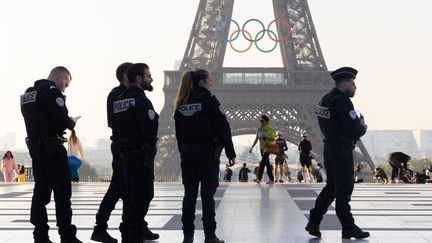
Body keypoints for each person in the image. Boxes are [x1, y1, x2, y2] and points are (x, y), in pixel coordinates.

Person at [305, 67, 369, 239]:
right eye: (353, 83)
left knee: (331, 187)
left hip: (329, 147)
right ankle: (348, 227)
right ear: (345, 83)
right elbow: (353, 129)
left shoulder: (325, 99)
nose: (355, 87)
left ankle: (314, 220)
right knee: (344, 188)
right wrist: (362, 127)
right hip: (342, 150)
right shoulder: (343, 102)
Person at [20, 66, 82, 243]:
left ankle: (40, 234)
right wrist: (71, 122)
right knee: (62, 192)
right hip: (52, 148)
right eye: (66, 84)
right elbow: (62, 122)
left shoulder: (28, 94)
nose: (65, 88)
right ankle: (67, 235)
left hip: (35, 148)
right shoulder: (52, 91)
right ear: (60, 77)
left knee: (40, 192)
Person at [174, 69, 236, 243]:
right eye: (209, 80)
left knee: (189, 195)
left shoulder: (182, 103)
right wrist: (230, 153)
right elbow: (223, 128)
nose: (211, 83)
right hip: (206, 152)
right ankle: (209, 235)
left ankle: (188, 236)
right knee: (207, 195)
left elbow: (178, 134)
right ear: (201, 82)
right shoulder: (209, 100)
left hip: (187, 151)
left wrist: (183, 151)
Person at [111, 63, 160, 243]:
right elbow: (149, 128)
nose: (151, 79)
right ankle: (135, 235)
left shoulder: (119, 100)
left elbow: (114, 124)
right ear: (138, 78)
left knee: (131, 196)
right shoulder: (141, 100)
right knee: (143, 196)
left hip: (124, 153)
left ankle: (130, 233)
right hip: (140, 155)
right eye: (148, 76)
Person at [92, 62, 133, 243]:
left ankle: (133, 225)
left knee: (129, 188)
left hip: (122, 144)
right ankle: (100, 227)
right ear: (126, 75)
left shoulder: (115, 95)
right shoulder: (123, 94)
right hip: (125, 146)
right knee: (119, 186)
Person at [249, 115, 276, 184]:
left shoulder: (270, 129)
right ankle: (272, 179)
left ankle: (259, 178)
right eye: (260, 121)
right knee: (267, 164)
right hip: (262, 148)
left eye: (262, 121)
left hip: (267, 148)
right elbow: (256, 139)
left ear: (267, 122)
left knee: (262, 163)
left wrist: (267, 135)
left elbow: (273, 138)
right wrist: (252, 147)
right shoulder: (259, 129)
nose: (261, 122)